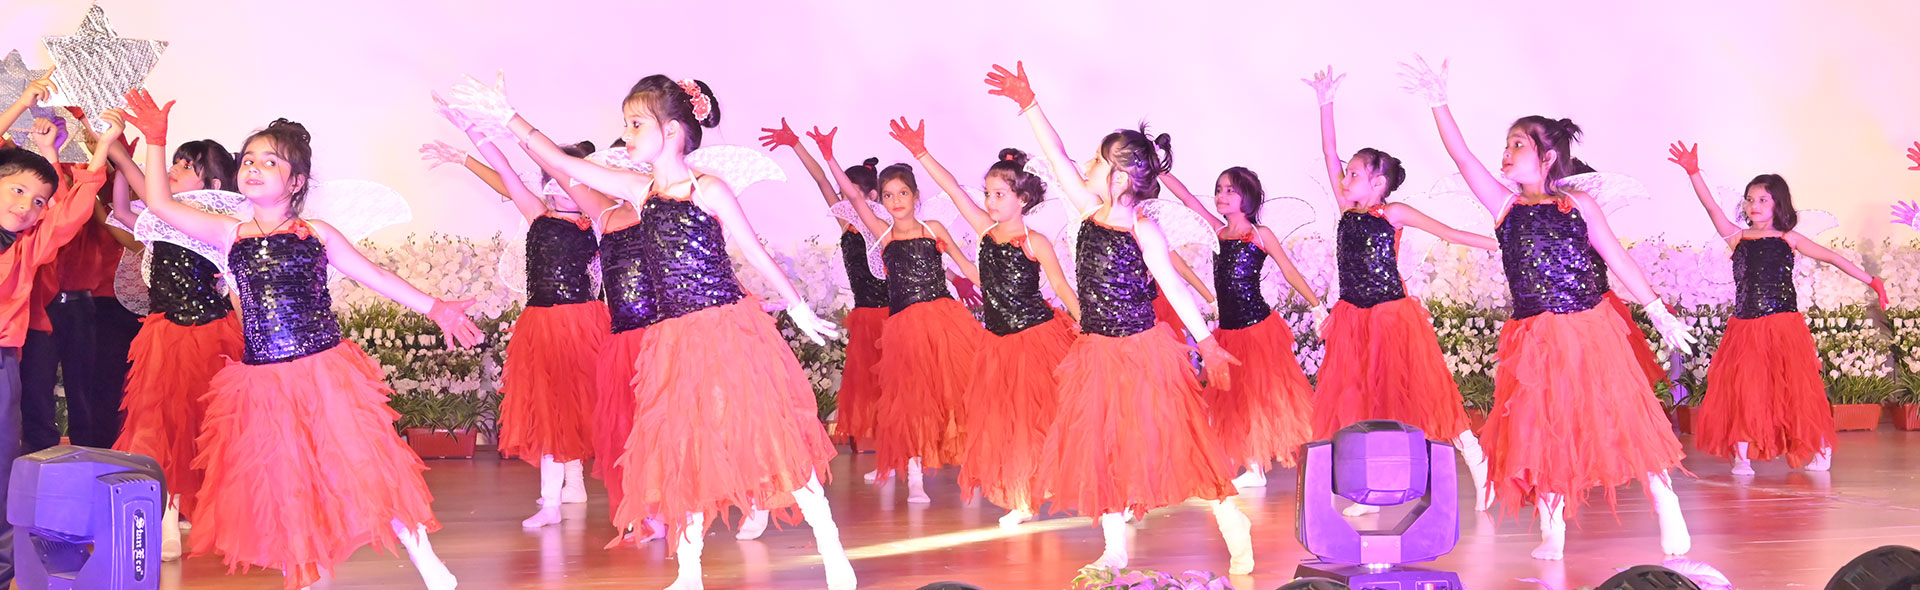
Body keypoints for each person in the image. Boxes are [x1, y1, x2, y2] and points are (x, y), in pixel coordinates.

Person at [118, 91, 479, 589]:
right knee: (286, 482)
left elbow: (375, 275)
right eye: (248, 159)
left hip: (323, 370)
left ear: (296, 182)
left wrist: (436, 307)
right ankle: (305, 577)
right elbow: (160, 203)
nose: (254, 167)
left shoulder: (316, 233)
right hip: (262, 382)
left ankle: (426, 560)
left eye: (270, 161)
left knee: (364, 464)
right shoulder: (229, 234)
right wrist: (156, 140)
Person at [1406, 57, 1695, 560]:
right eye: (1506, 144)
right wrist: (1439, 102)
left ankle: (1664, 497)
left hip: (1588, 328)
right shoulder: (1505, 207)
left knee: (1622, 415)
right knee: (1541, 427)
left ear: (1548, 156)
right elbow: (1463, 157)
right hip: (1533, 337)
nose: (1506, 152)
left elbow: (1617, 258)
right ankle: (1552, 524)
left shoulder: (1579, 203)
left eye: (1517, 144)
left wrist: (1657, 310)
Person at [1667, 142, 1886, 475]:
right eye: (1750, 199)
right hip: (1745, 326)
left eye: (1762, 200)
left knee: (1796, 389)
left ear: (1778, 204)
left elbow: (1833, 257)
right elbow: (1711, 207)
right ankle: (1742, 456)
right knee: (1745, 390)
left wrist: (1872, 281)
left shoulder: (1789, 238)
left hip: (1783, 325)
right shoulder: (1737, 237)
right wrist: (1694, 172)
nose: (1754, 205)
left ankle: (1819, 448)